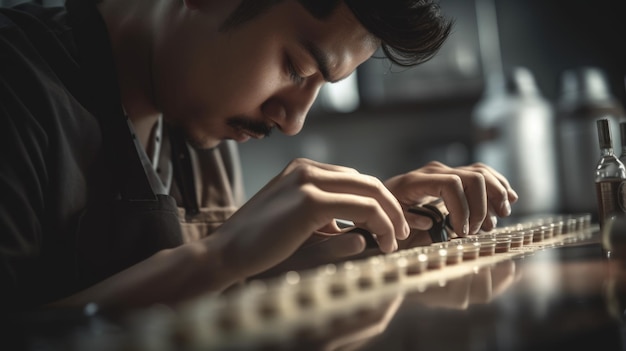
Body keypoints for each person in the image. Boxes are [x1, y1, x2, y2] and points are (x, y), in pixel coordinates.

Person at [0, 0, 518, 314]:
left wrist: (344, 244)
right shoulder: (16, 83)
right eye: (295, 68)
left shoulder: (198, 119)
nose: (292, 120)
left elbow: (201, 306)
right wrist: (221, 257)